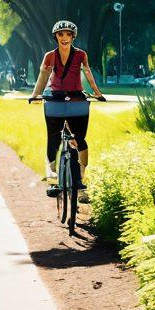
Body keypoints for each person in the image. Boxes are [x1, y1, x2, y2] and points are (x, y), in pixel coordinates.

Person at [29, 20, 106, 194]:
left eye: (68, 34)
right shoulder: (50, 55)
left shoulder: (80, 55)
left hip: (76, 97)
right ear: (55, 36)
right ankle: (53, 174)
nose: (64, 38)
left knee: (80, 139)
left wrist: (97, 93)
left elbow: (88, 73)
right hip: (55, 98)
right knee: (54, 137)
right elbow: (43, 76)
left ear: (73, 37)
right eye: (61, 34)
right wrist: (35, 95)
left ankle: (80, 175)